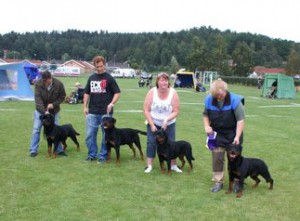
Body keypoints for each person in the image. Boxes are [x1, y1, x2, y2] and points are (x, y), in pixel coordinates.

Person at [202, 79, 245, 192]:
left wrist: (237, 136)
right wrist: (207, 127)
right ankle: (218, 182)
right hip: (217, 134)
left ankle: (237, 182)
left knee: (235, 159)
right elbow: (205, 115)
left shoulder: (235, 101)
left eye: (220, 95)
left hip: (233, 133)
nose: (218, 97)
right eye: (216, 95)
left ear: (225, 91)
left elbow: (240, 120)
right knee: (217, 158)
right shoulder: (209, 100)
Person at [83, 55, 121, 162]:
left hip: (106, 113)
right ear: (94, 66)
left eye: (101, 66)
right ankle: (92, 154)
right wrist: (85, 106)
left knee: (106, 136)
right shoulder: (91, 78)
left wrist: (112, 103)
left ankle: (103, 156)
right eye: (97, 66)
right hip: (92, 112)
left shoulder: (109, 78)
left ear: (104, 65)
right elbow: (86, 93)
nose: (100, 68)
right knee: (90, 134)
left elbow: (117, 93)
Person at [143, 72, 182, 173]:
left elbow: (176, 111)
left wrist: (166, 119)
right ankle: (149, 165)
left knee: (171, 143)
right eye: (162, 80)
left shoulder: (173, 93)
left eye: (166, 80)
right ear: (157, 82)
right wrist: (151, 124)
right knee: (151, 142)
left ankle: (173, 165)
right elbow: (146, 110)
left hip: (169, 123)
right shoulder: (152, 92)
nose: (164, 82)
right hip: (153, 121)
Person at [29, 70, 67, 157]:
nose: (44, 83)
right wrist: (45, 112)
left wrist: (53, 104)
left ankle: (59, 150)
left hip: (54, 111)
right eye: (43, 81)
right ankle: (33, 150)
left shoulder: (59, 84)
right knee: (36, 129)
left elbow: (62, 96)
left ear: (50, 78)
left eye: (46, 81)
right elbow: (38, 100)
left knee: (57, 131)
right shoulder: (38, 84)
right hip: (40, 111)